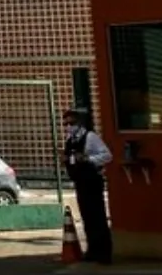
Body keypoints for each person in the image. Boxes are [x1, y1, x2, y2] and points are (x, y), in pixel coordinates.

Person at [63, 107, 113, 264]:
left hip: (92, 181)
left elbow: (107, 155)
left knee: (97, 216)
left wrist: (88, 159)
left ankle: (104, 252)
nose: (68, 127)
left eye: (71, 123)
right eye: (66, 124)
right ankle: (93, 250)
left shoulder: (90, 137)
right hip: (80, 181)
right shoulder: (70, 140)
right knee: (87, 217)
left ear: (79, 123)